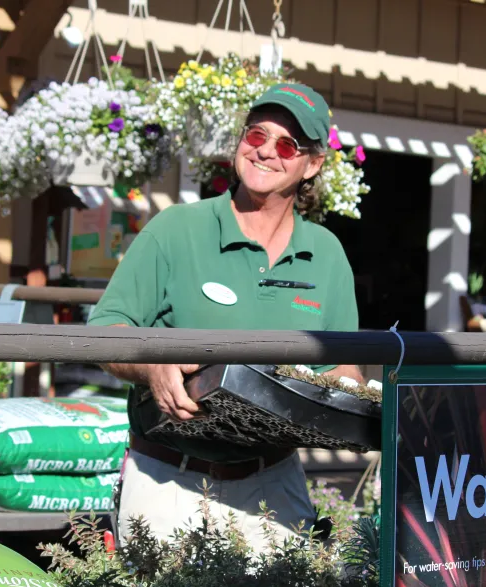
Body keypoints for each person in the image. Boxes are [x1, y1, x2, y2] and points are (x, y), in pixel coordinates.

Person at [87, 82, 363, 552]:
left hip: (272, 483)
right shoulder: (176, 229)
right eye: (256, 135)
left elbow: (340, 369)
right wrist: (153, 367)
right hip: (167, 478)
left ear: (312, 164)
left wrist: (361, 400)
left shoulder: (327, 254)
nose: (265, 152)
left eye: (286, 144)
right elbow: (105, 333)